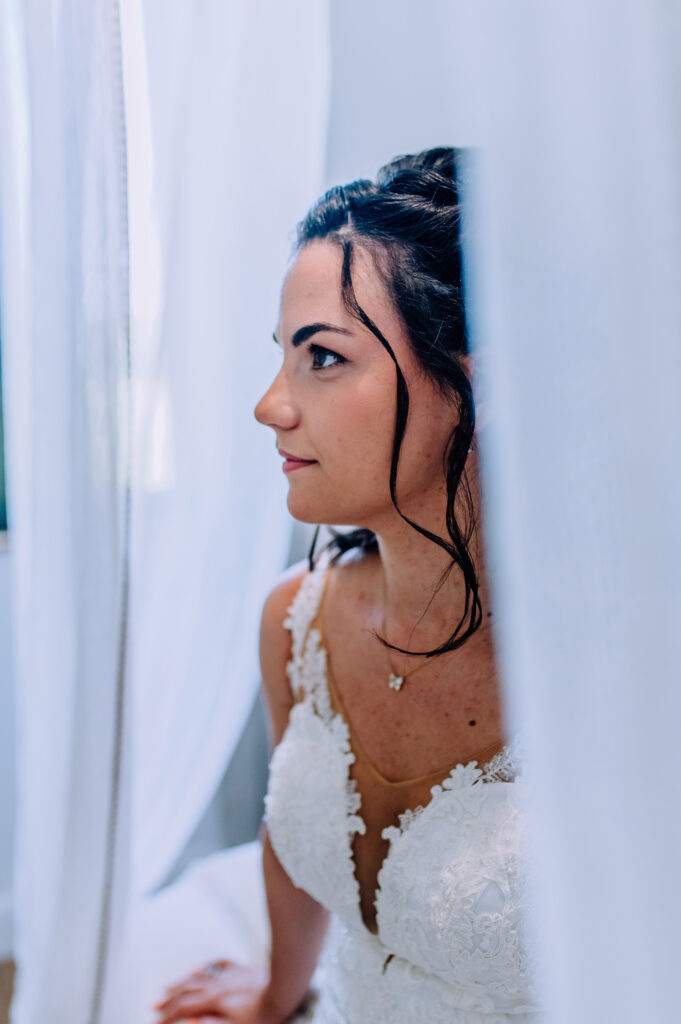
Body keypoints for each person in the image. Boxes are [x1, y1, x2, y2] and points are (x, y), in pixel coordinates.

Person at [153, 147, 541, 1024]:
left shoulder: (613, 679)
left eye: (321, 358)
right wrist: (272, 997)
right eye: (282, 357)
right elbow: (291, 846)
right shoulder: (296, 619)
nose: (270, 405)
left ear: (474, 380)